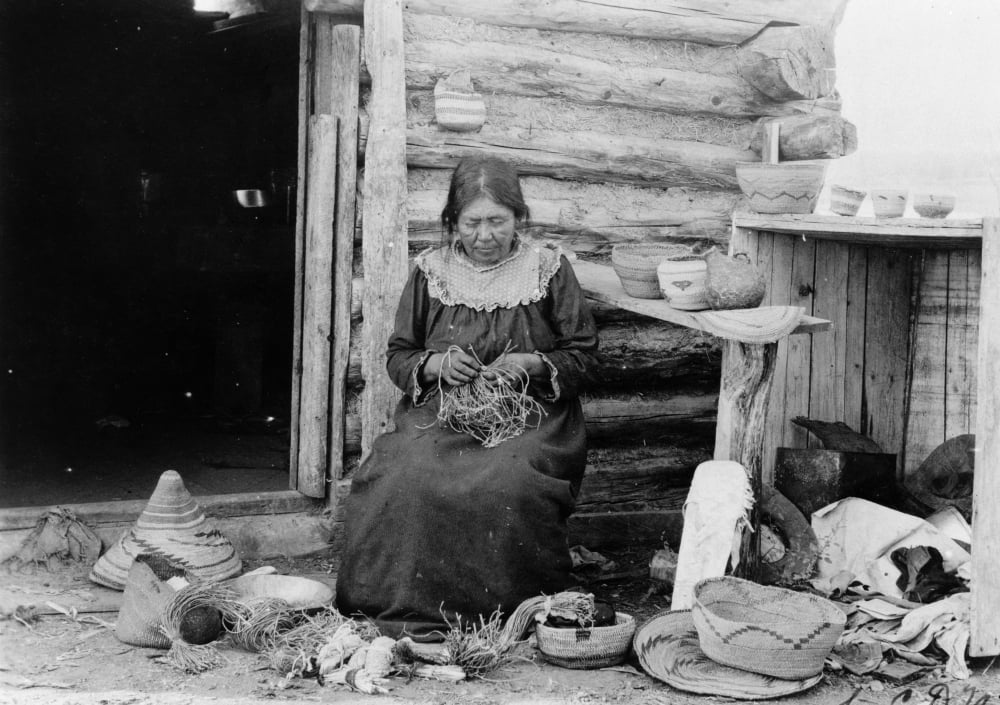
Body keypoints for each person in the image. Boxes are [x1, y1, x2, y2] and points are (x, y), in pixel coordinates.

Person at [334, 155, 599, 639]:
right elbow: (399, 355)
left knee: (511, 479)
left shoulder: (548, 270)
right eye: (471, 223)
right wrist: (435, 365)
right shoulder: (431, 272)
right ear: (452, 223)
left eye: (497, 221)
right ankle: (403, 603)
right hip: (441, 415)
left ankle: (510, 611)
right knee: (403, 472)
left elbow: (583, 357)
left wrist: (531, 365)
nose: (484, 235)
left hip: (531, 419)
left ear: (519, 218)